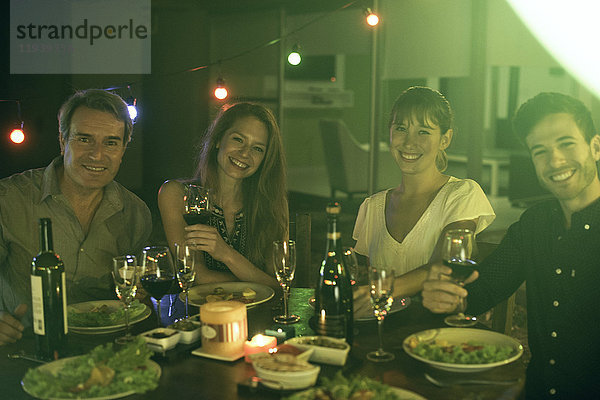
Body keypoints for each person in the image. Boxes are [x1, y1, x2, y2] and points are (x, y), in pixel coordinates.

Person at [422, 92, 600, 399]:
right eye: (540, 151)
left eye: (567, 143)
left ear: (595, 147)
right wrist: (452, 298)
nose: (555, 160)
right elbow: (484, 288)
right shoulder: (535, 223)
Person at [0, 89, 152, 345]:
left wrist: (141, 295)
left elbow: (136, 294)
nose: (97, 154)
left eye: (111, 142)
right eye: (84, 139)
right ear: (62, 140)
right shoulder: (9, 199)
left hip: (104, 350)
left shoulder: (136, 213)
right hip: (24, 349)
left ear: (123, 149)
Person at [352, 86, 495, 313]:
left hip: (436, 332)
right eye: (401, 129)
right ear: (389, 133)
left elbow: (447, 266)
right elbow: (363, 279)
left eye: (424, 132)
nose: (409, 143)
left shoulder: (462, 194)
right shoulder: (373, 206)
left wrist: (383, 289)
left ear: (445, 139)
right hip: (381, 331)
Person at [158, 102, 287, 290]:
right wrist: (256, 281)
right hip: (199, 314)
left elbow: (280, 283)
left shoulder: (272, 203)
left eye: (257, 148)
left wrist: (226, 253)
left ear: (265, 158)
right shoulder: (175, 194)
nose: (244, 153)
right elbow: (196, 275)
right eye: (238, 139)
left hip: (258, 314)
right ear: (218, 140)